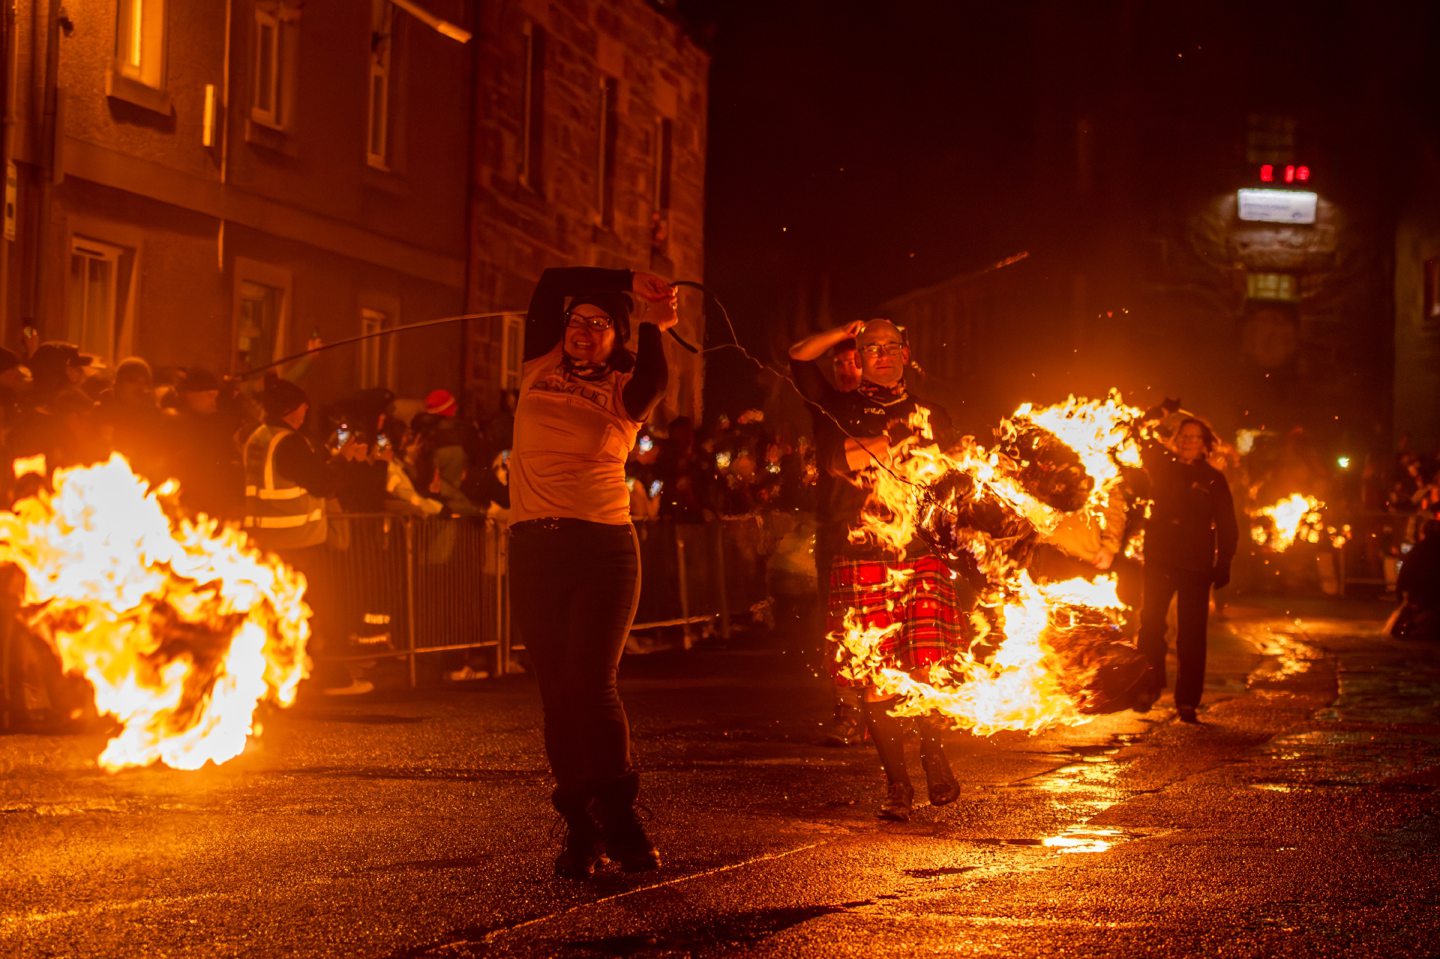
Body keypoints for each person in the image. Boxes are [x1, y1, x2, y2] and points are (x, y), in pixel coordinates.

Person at [507, 265, 676, 879]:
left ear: (617, 336)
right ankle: (582, 829)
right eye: (576, 321)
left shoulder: (627, 389)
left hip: (603, 548)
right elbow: (549, 280)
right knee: (557, 694)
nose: (582, 330)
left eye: (598, 324)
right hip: (533, 548)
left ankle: (623, 822)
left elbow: (658, 373)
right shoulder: (537, 364)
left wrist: (655, 319)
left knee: (592, 684)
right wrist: (628, 275)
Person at [792, 318, 964, 821]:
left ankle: (935, 760)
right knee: (876, 677)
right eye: (871, 348)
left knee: (927, 668)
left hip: (921, 552)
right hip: (862, 551)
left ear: (907, 354)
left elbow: (950, 475)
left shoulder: (934, 412)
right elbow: (801, 359)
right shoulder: (837, 406)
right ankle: (897, 785)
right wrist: (845, 331)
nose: (883, 355)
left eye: (891, 347)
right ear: (858, 356)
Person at [242, 373, 369, 693]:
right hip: (298, 542)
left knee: (275, 614)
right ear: (293, 410)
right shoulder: (289, 442)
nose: (305, 415)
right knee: (318, 613)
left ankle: (276, 681)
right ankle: (327, 679)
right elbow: (323, 483)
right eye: (303, 409)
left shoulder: (259, 436)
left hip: (268, 540)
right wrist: (343, 462)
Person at [788, 325, 867, 746]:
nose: (846, 370)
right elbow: (799, 354)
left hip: (893, 533)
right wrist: (845, 330)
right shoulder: (828, 404)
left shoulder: (894, 404)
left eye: (855, 360)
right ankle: (849, 711)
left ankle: (897, 708)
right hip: (837, 529)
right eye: (839, 363)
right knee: (838, 625)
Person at [1135, 416, 1239, 723]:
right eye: (1184, 436)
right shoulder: (1160, 467)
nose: (1188, 442)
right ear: (1175, 439)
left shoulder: (1213, 479)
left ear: (1205, 445)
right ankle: (1148, 687)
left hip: (1195, 562)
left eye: (1195, 438)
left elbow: (1227, 524)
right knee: (1151, 624)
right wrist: (1159, 413)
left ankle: (1187, 701)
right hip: (1160, 557)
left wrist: (1224, 561)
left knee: (1192, 635)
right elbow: (1137, 433)